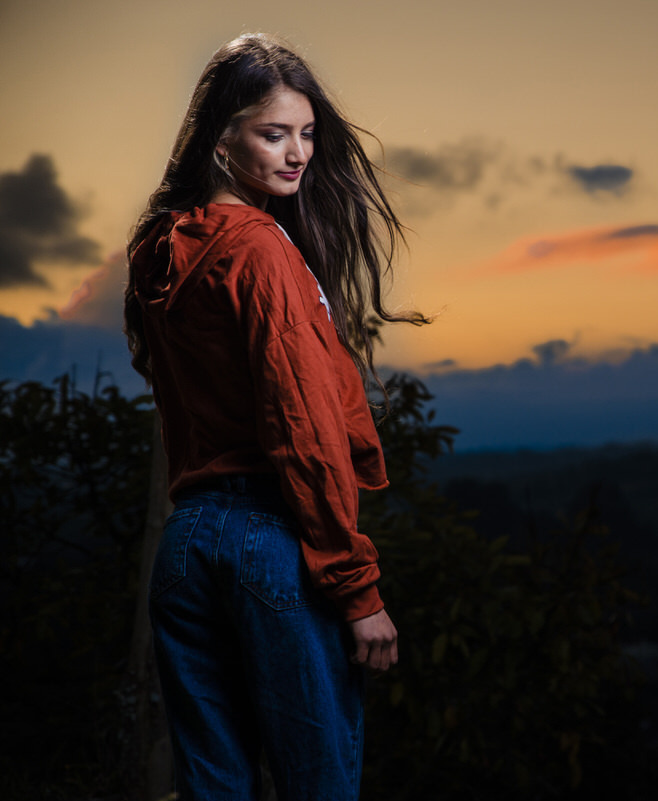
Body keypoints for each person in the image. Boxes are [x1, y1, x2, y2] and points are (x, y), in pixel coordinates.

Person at [124, 33, 425, 800]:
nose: (298, 154)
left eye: (307, 134)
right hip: (273, 538)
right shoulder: (259, 249)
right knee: (318, 783)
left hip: (188, 547)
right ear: (221, 142)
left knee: (213, 788)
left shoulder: (163, 248)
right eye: (273, 134)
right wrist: (359, 591)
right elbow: (304, 425)